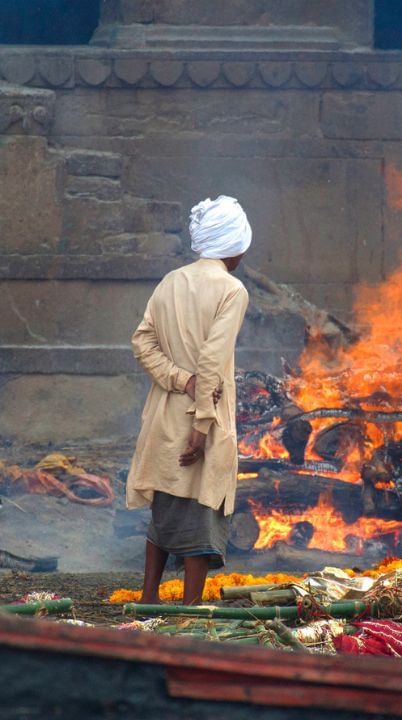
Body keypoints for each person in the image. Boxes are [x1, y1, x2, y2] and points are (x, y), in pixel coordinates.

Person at [127, 195, 252, 605]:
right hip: (204, 418)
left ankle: (149, 597)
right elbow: (212, 360)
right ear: (234, 245)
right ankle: (190, 609)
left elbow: (142, 342)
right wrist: (201, 423)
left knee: (166, 504)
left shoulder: (170, 281)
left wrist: (179, 380)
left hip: (165, 414)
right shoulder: (232, 290)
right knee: (202, 510)